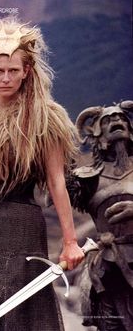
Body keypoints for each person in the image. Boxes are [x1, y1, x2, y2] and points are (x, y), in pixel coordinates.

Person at [0, 16, 84, 331]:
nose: (6, 78)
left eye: (13, 71)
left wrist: (70, 242)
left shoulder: (44, 119)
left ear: (26, 72)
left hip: (20, 225)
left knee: (17, 313)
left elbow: (56, 182)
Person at [68, 101, 133, 331]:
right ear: (97, 134)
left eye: (121, 118)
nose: (116, 121)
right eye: (107, 120)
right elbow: (53, 192)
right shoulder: (86, 180)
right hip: (108, 269)